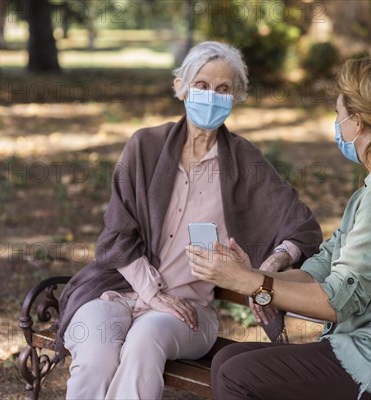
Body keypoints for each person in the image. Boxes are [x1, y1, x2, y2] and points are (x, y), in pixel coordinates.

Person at [188, 57, 371, 400]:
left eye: (338, 114)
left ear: (358, 121)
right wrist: (251, 274)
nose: (336, 123)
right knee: (228, 359)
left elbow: (339, 302)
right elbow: (321, 270)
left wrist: (252, 284)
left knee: (237, 374)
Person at [53, 41, 323, 400]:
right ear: (180, 87)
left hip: (189, 312)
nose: (212, 96)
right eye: (202, 85)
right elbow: (117, 234)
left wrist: (268, 271)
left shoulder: (244, 160)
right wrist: (153, 294)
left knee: (144, 341)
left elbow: (302, 229)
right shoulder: (144, 147)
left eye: (223, 89)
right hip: (118, 293)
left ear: (237, 96)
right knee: (95, 350)